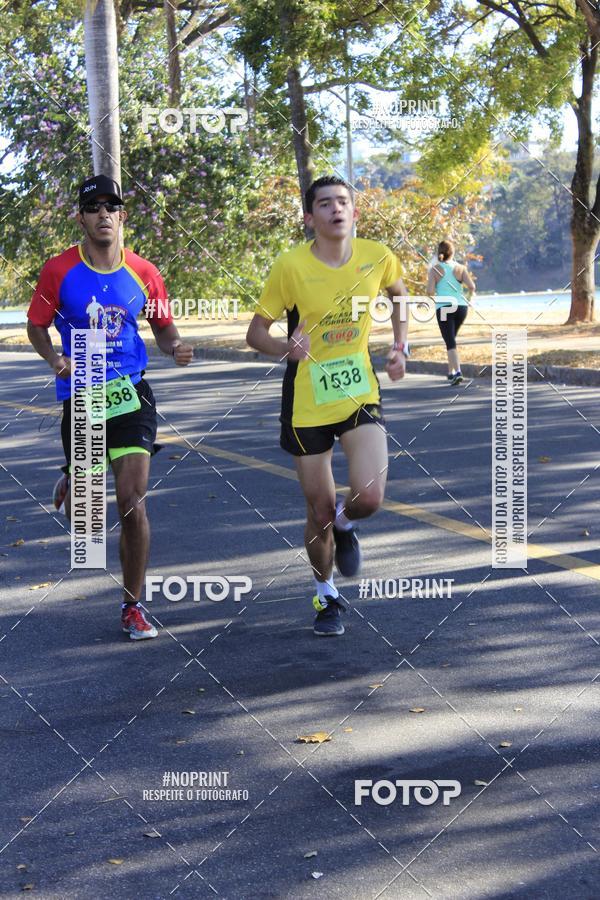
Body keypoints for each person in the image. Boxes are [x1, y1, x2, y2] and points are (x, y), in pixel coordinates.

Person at [27, 174, 193, 640]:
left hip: (130, 393)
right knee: (85, 519)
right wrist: (54, 357)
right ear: (80, 218)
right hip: (82, 394)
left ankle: (133, 605)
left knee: (131, 500)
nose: (103, 214)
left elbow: (163, 329)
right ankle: (74, 473)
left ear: (122, 217)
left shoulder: (144, 271)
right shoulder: (58, 271)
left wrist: (176, 347)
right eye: (93, 207)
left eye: (111, 207)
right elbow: (37, 326)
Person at [246, 175, 409, 637]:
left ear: (354, 212)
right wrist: (286, 349)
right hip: (306, 401)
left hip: (357, 389)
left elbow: (398, 293)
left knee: (370, 496)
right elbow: (255, 333)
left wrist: (400, 345)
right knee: (317, 510)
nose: (336, 209)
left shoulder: (377, 256)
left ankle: (347, 522)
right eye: (324, 203)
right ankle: (326, 593)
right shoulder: (290, 266)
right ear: (309, 217)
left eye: (343, 202)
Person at [426, 239, 476, 385]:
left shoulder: (435, 269)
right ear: (452, 252)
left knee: (450, 341)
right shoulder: (461, 268)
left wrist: (435, 290)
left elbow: (429, 291)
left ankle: (458, 372)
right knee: (450, 339)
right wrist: (469, 299)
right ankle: (450, 371)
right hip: (461, 307)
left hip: (444, 307)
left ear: (439, 253)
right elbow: (472, 286)